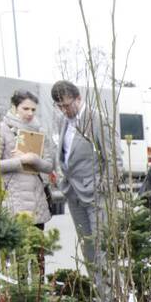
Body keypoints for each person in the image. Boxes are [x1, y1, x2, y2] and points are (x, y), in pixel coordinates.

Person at [52, 80, 110, 287]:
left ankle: (109, 295)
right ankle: (98, 289)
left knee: (99, 244)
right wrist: (60, 178)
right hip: (73, 192)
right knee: (86, 245)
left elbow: (112, 158)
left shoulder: (97, 119)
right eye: (59, 106)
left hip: (94, 193)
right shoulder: (63, 121)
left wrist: (104, 186)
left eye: (67, 105)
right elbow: (63, 153)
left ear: (78, 98)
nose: (64, 110)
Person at [0, 90, 57, 229]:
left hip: (37, 202)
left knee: (37, 249)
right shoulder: (2, 129)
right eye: (25, 108)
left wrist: (34, 159)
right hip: (12, 203)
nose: (30, 113)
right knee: (16, 250)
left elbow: (49, 166)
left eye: (33, 110)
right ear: (14, 107)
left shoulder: (40, 131)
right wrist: (20, 161)